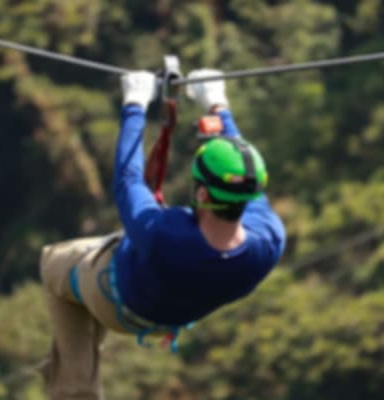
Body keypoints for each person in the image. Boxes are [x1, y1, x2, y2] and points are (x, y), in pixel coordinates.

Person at [38, 69, 286, 400]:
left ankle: (76, 391)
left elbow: (128, 180)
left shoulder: (164, 236)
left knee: (53, 261)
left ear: (200, 194)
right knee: (104, 260)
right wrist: (217, 106)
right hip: (169, 314)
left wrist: (134, 105)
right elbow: (243, 173)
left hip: (115, 298)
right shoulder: (268, 240)